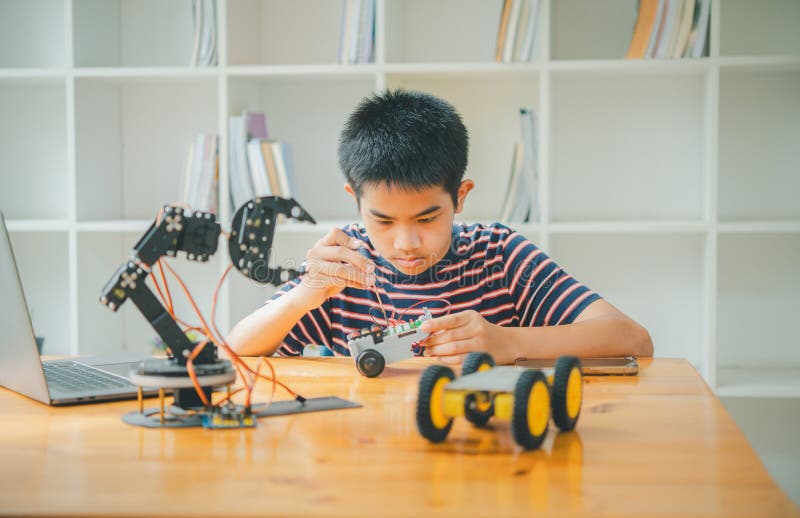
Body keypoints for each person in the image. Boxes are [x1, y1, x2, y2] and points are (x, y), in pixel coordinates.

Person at [228, 89, 653, 364]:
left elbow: (632, 339)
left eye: (427, 218)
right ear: (355, 202)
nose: (406, 242)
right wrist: (305, 294)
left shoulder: (498, 255)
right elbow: (239, 347)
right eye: (383, 219)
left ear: (461, 196)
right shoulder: (345, 264)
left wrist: (508, 342)